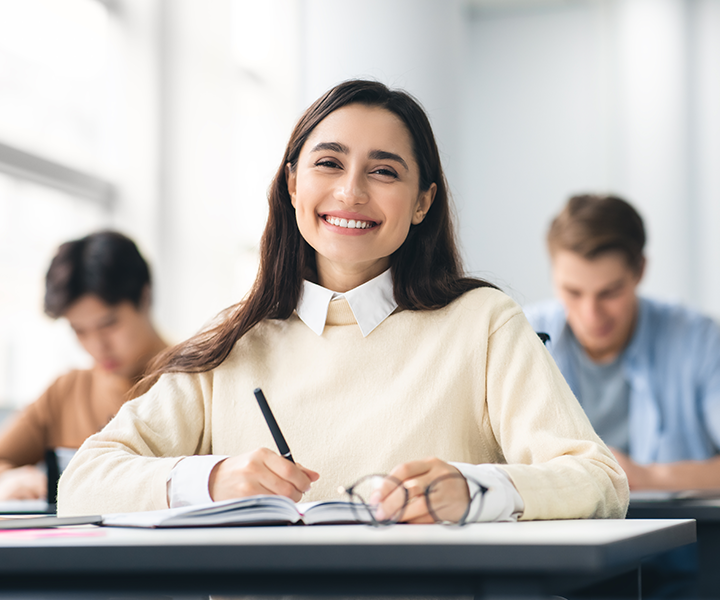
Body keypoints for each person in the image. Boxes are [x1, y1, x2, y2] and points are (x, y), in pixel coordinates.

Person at [57, 80, 628, 522]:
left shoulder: (483, 323)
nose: (351, 192)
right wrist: (213, 481)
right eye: (328, 163)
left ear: (423, 202)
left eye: (384, 171)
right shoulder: (235, 339)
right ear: (292, 184)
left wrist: (475, 490)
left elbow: (599, 478)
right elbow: (82, 483)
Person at [525, 194, 720, 491]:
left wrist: (647, 478)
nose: (591, 315)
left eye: (609, 292)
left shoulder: (699, 340)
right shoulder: (522, 335)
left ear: (640, 270)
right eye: (573, 292)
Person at [0, 231, 167, 501]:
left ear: (144, 298)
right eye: (79, 330)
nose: (97, 346)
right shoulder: (67, 390)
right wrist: (11, 480)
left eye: (108, 324)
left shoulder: (198, 380)